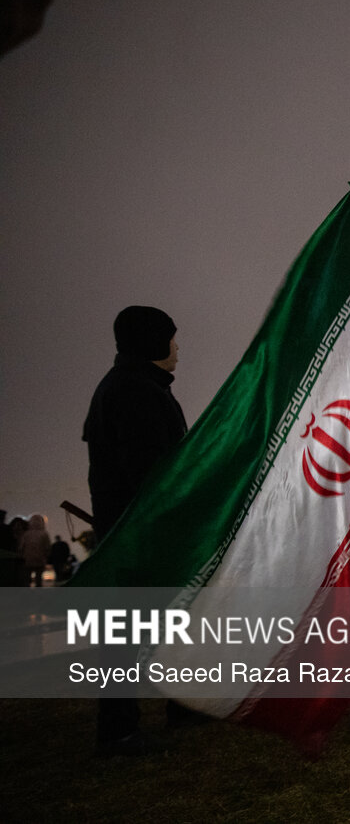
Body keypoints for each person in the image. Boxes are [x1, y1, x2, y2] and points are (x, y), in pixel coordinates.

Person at [83, 305, 188, 755]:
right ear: (151, 341)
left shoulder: (131, 386)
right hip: (139, 534)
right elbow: (151, 472)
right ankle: (118, 730)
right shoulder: (134, 392)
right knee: (128, 632)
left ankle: (179, 705)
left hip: (135, 532)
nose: (177, 347)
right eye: (171, 337)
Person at [18, 513, 51, 587]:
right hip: (40, 559)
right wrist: (46, 556)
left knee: (27, 578)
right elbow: (47, 547)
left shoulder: (26, 534)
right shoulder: (44, 534)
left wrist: (21, 556)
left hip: (28, 559)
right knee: (38, 579)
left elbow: (21, 547)